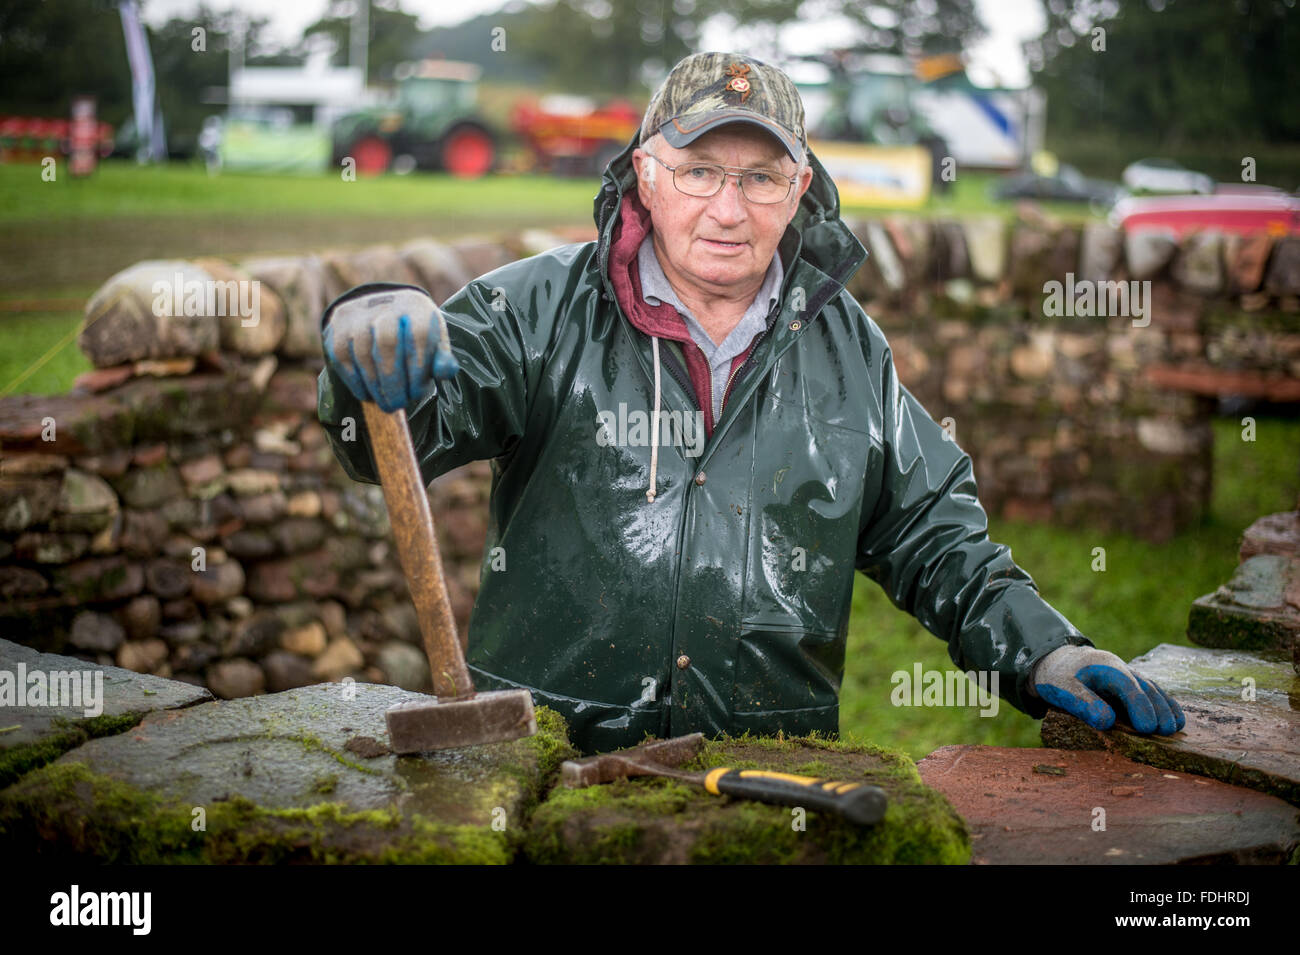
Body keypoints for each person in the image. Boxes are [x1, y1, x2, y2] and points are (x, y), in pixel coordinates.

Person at [317, 52, 1184, 755]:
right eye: (698, 171)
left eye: (760, 177)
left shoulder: (849, 351)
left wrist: (1044, 647)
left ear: (800, 185)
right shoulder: (536, 311)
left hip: (766, 777)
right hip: (548, 759)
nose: (728, 209)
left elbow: (935, 538)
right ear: (647, 175)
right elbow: (390, 435)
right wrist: (366, 349)